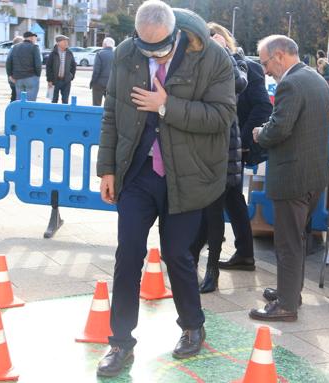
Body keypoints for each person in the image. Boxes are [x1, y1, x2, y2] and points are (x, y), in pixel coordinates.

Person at [95, 0, 235, 377]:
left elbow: (222, 117)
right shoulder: (126, 54)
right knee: (128, 257)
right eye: (146, 46)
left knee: (178, 255)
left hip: (187, 176)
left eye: (160, 47)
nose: (152, 53)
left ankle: (192, 325)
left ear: (177, 34)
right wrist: (106, 169)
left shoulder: (212, 58)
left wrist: (166, 105)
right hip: (137, 175)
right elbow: (112, 112)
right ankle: (120, 342)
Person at [249, 35, 329, 322]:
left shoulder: (290, 84)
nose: (266, 70)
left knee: (287, 243)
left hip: (292, 179)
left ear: (280, 55)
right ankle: (290, 291)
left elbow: (279, 129)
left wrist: (260, 133)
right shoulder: (316, 78)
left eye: (266, 63)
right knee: (297, 238)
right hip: (313, 177)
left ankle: (286, 306)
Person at [189, 22, 247, 293]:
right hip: (196, 142)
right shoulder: (195, 60)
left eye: (217, 38)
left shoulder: (237, 61)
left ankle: (211, 269)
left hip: (224, 145)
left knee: (214, 212)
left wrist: (224, 54)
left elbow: (239, 84)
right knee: (199, 211)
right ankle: (189, 258)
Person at [218, 47, 273, 271]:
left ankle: (243, 252)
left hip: (232, 147)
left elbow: (263, 106)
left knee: (230, 197)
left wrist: (241, 137)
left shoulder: (249, 68)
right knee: (228, 198)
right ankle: (243, 253)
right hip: (217, 147)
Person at [6, 31, 41, 101]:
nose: (35, 39)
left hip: (18, 78)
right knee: (30, 102)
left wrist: (10, 75)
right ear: (31, 38)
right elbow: (38, 64)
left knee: (20, 102)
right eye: (34, 38)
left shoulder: (15, 47)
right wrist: (37, 75)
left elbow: (8, 61)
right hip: (31, 77)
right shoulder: (34, 47)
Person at [46, 35, 76, 104]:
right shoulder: (53, 53)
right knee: (54, 100)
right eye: (64, 41)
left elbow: (73, 66)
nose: (66, 43)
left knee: (65, 101)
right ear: (58, 43)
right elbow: (48, 67)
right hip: (55, 81)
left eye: (67, 42)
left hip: (66, 81)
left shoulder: (69, 53)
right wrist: (49, 80)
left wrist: (71, 76)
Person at [90, 37, 115, 106]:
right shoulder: (116, 54)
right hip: (112, 84)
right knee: (110, 105)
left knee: (96, 104)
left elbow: (96, 70)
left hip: (99, 83)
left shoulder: (100, 54)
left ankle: (97, 117)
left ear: (104, 44)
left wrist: (92, 82)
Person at [8, 36, 24, 102]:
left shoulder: (13, 50)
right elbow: (9, 65)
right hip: (15, 78)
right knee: (15, 96)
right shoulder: (14, 51)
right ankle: (12, 111)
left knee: (15, 96)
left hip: (15, 78)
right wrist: (11, 76)